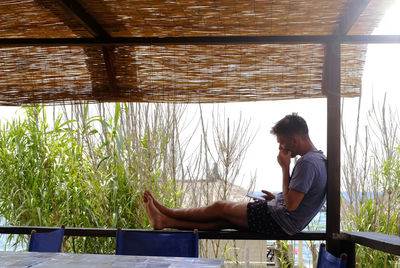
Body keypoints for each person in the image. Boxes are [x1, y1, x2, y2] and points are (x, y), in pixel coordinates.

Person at [143, 113, 327, 235]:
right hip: (284, 222)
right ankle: (164, 221)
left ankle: (168, 212)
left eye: (281, 143)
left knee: (219, 207)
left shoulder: (307, 163)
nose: (280, 148)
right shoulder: (318, 159)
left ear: (294, 140)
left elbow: (292, 205)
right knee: (223, 221)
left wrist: (285, 167)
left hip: (279, 220)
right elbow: (297, 199)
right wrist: (278, 198)